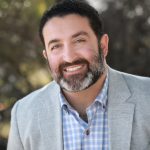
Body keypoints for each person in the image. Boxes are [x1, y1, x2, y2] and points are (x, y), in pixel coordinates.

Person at [7, 0, 150, 150]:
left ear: (103, 45)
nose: (69, 57)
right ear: (46, 56)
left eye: (79, 41)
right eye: (56, 46)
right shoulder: (23, 114)